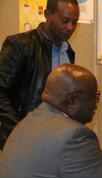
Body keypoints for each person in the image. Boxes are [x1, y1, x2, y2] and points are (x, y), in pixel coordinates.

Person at [0, 0, 80, 149]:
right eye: (65, 21)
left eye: (75, 22)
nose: (70, 27)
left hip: (54, 138)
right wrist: (20, 130)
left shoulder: (68, 52)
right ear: (47, 14)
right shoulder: (20, 45)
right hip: (22, 139)